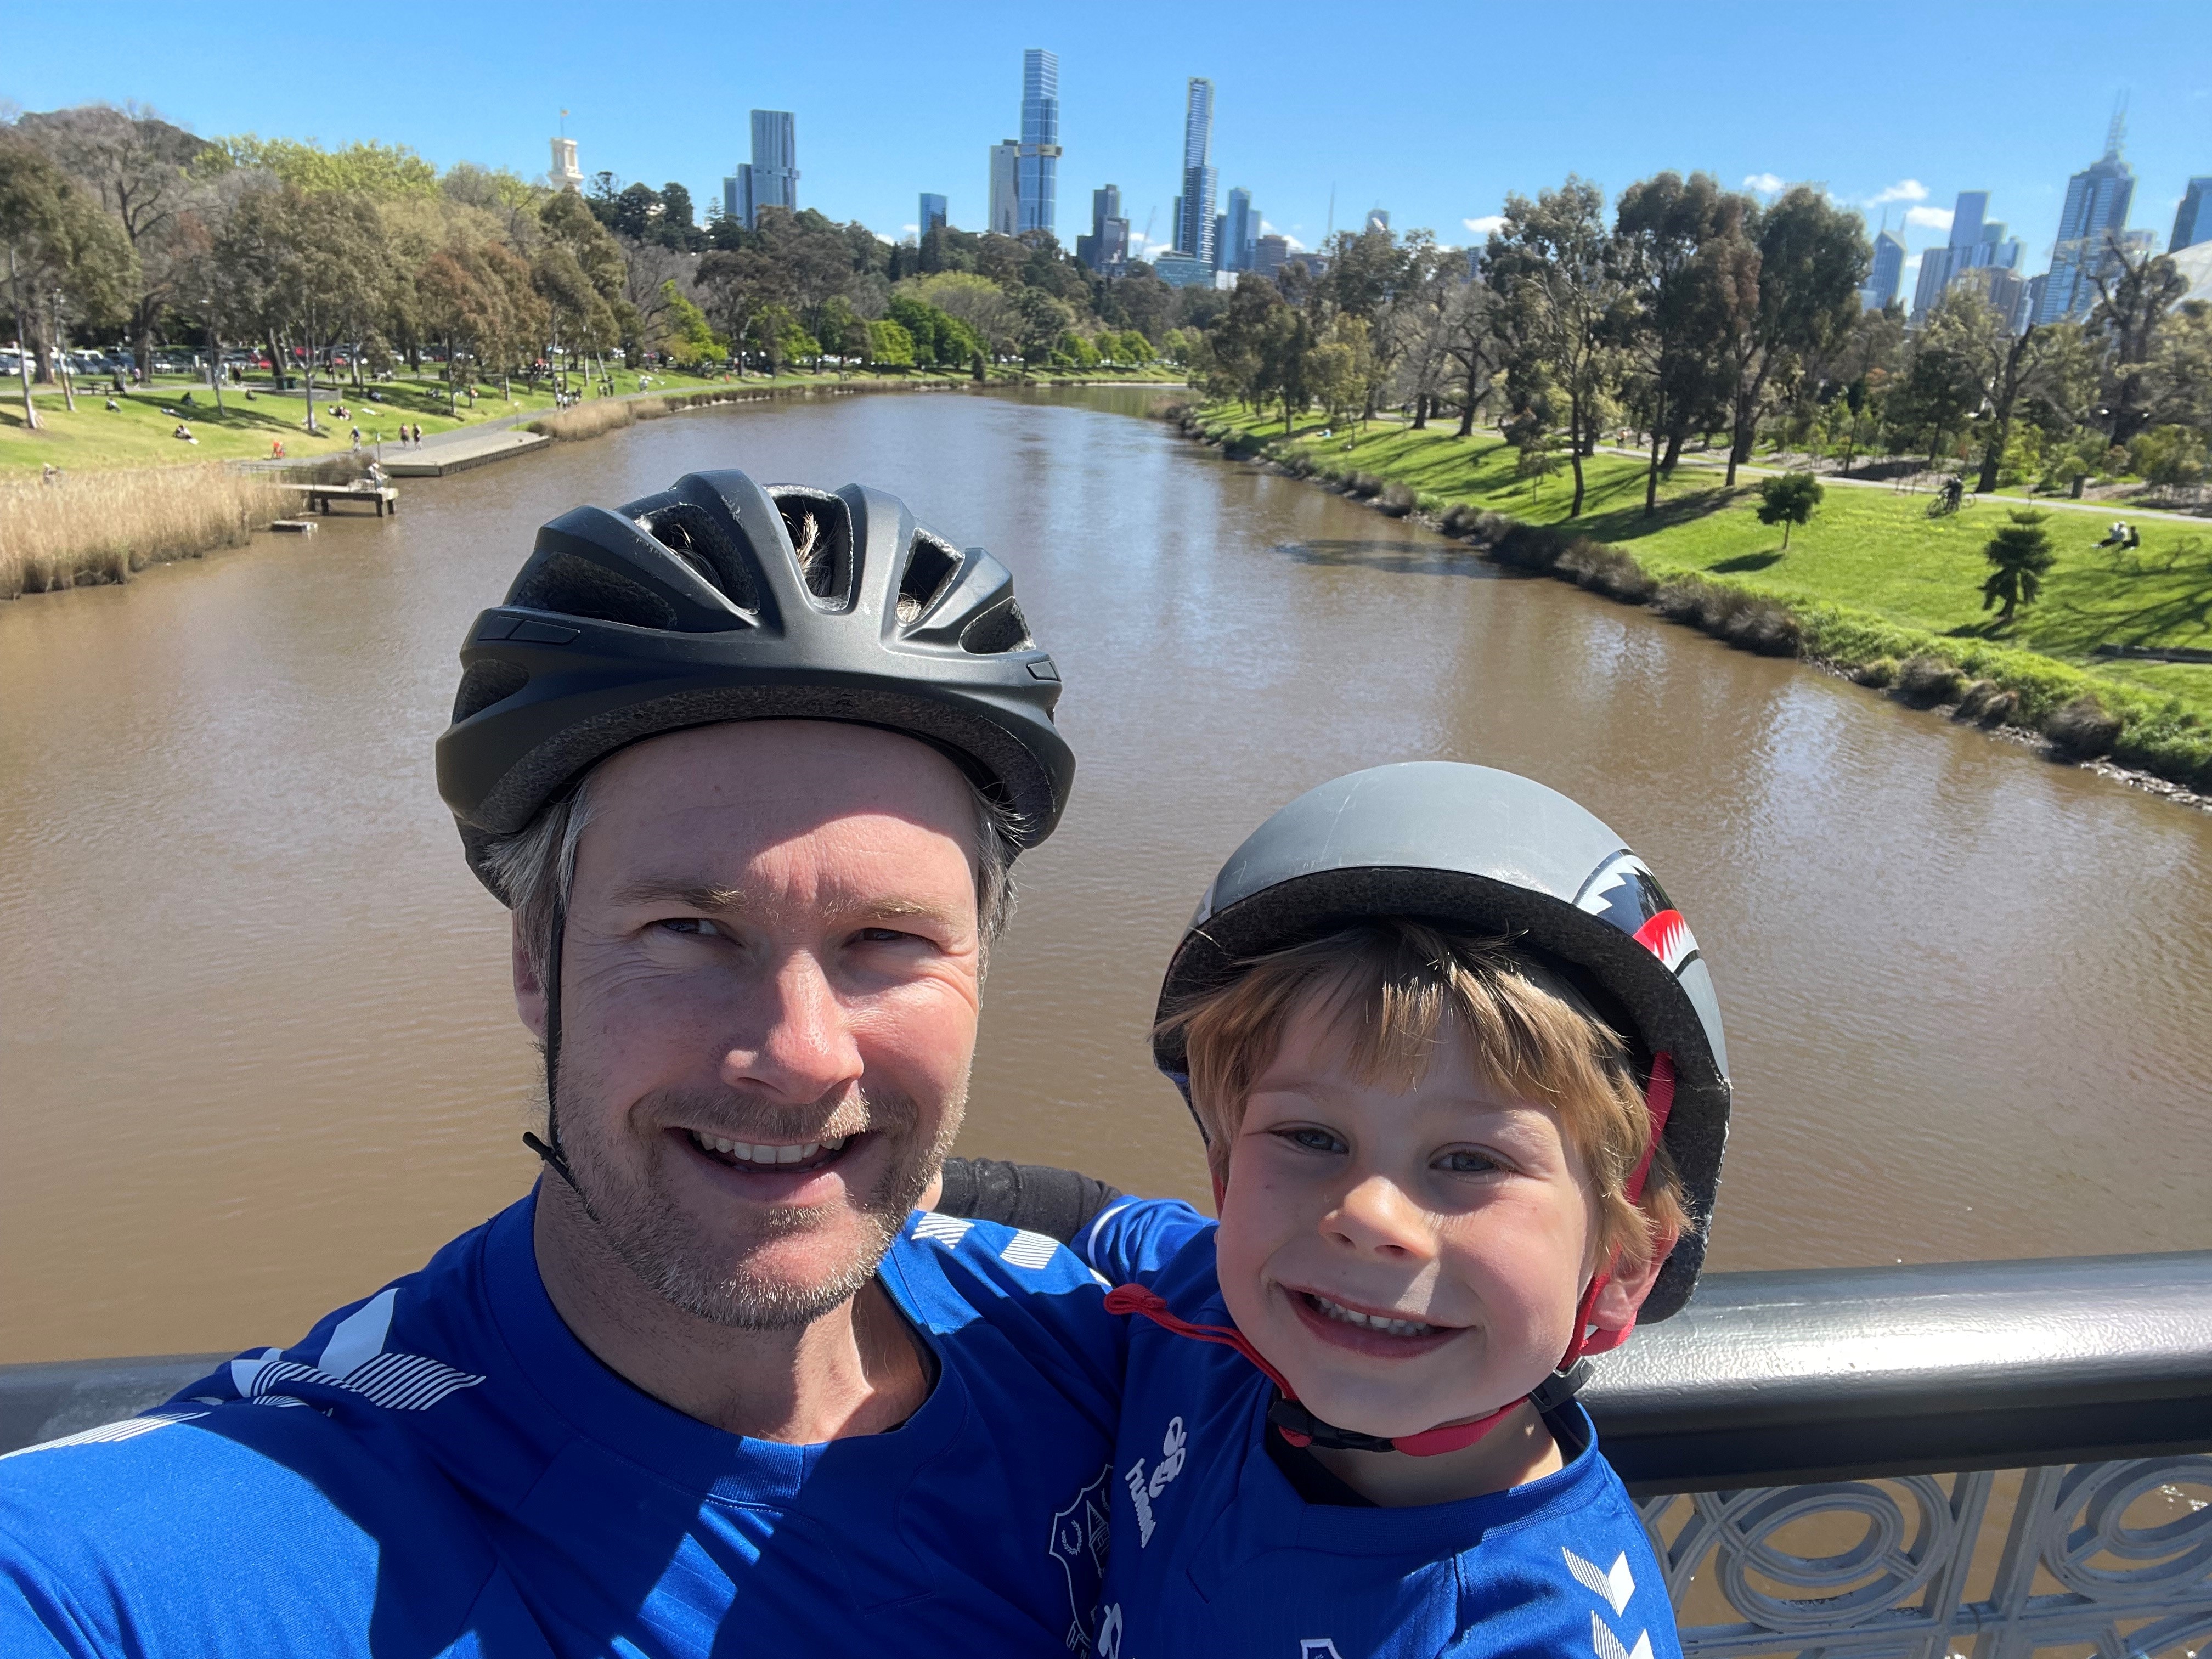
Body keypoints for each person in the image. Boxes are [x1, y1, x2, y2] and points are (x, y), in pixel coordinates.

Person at [0, 470, 1135, 1658]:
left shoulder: (1101, 1343)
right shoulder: (271, 1514)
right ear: (535, 966)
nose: (801, 1057)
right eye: (689, 932)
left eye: (888, 942)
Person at [1064, 763, 1730, 1658]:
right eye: (1310, 1137)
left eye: (1470, 1160)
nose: (1370, 1212)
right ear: (1226, 1174)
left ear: (1627, 1267)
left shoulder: (1537, 1635)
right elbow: (1084, 1215)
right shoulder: (1198, 1314)